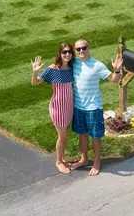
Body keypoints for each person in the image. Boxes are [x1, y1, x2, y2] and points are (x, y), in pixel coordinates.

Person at [70, 38, 123, 176]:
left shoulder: (97, 65)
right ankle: (84, 159)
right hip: (78, 106)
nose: (81, 51)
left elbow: (113, 79)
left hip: (93, 107)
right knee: (82, 134)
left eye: (84, 48)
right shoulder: (74, 63)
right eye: (78, 49)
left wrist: (116, 70)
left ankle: (97, 162)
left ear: (89, 48)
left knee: (95, 136)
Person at [31, 42, 75, 174]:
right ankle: (59, 161)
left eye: (69, 52)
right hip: (58, 108)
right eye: (64, 52)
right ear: (60, 54)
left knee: (65, 135)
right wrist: (35, 72)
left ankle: (63, 157)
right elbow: (35, 82)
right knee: (62, 137)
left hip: (69, 107)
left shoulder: (72, 68)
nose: (67, 54)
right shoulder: (53, 69)